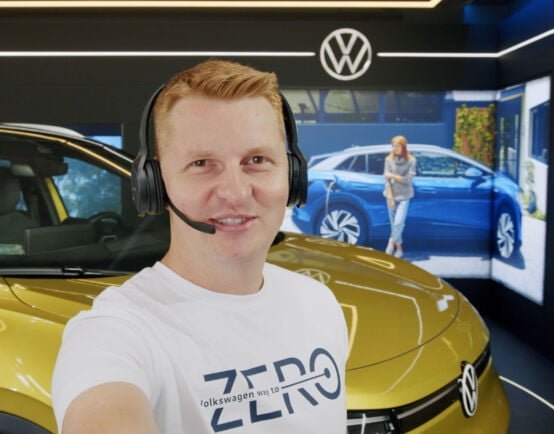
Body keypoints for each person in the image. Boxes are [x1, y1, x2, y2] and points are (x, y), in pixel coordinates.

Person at [51, 60, 348, 434]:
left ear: (292, 174)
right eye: (202, 163)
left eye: (257, 160)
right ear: (155, 183)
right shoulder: (114, 332)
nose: (236, 192)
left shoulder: (318, 303)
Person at [383, 135, 416, 259]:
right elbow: (386, 181)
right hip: (391, 195)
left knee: (398, 222)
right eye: (393, 146)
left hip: (404, 196)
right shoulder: (388, 159)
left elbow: (408, 180)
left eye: (397, 146)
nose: (395, 149)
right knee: (394, 225)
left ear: (403, 147)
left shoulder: (411, 160)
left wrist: (392, 175)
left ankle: (390, 243)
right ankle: (399, 249)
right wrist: (390, 198)